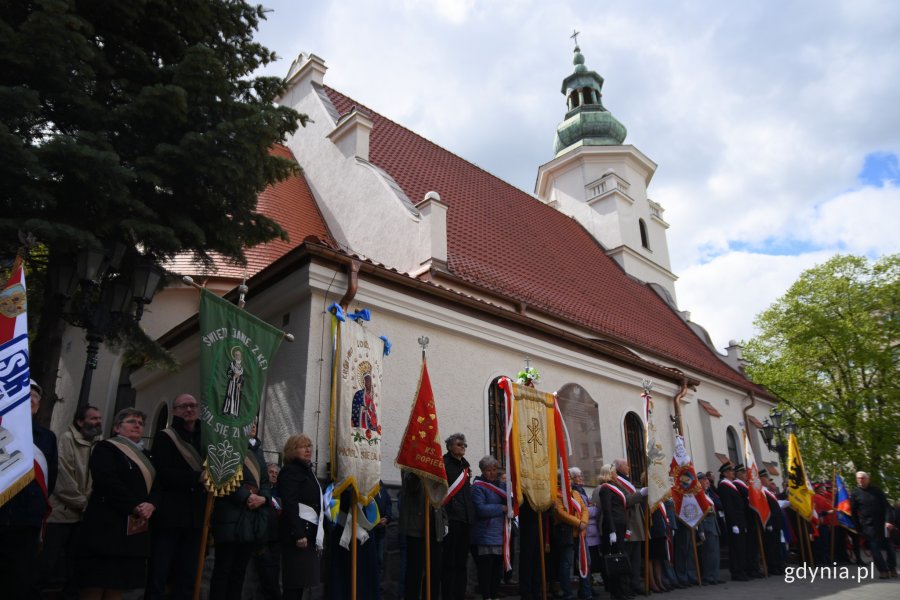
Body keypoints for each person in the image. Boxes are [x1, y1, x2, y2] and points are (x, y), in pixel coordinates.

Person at [75, 408, 158, 599]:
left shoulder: (149, 456)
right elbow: (106, 480)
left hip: (133, 528)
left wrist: (151, 504)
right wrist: (134, 505)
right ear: (117, 427)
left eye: (140, 422)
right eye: (131, 421)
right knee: (95, 583)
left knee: (119, 584)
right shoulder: (106, 448)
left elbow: (157, 486)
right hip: (106, 525)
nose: (137, 425)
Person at [0, 379, 58, 599]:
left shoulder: (46, 438)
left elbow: (49, 479)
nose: (30, 400)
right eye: (25, 395)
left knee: (20, 581)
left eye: (34, 397)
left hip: (26, 521)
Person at [146, 393, 205, 600]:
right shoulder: (166, 437)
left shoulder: (203, 438)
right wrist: (197, 478)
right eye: (184, 406)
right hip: (170, 514)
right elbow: (164, 472)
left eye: (193, 405)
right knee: (160, 569)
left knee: (188, 572)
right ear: (174, 411)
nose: (189, 410)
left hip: (196, 515)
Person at [40, 404, 101, 598]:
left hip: (82, 515)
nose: (98, 422)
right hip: (62, 513)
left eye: (99, 419)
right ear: (80, 421)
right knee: (48, 562)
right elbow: (62, 476)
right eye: (93, 418)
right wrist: (83, 502)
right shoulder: (65, 440)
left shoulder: (98, 443)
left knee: (75, 565)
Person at [210, 427, 272, 600]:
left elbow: (265, 481)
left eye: (255, 421)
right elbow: (223, 475)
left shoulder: (258, 453)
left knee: (239, 572)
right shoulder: (228, 445)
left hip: (250, 518)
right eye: (249, 420)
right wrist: (246, 497)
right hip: (230, 516)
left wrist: (264, 498)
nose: (253, 425)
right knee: (223, 570)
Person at [279, 434, 323, 600]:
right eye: (303, 447)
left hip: (308, 532)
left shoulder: (306, 470)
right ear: (292, 450)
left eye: (309, 446)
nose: (308, 450)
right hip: (297, 534)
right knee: (294, 584)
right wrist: (298, 533)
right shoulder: (291, 471)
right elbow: (290, 503)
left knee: (301, 582)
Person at [399, 468, 447, 600]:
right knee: (414, 572)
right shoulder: (409, 464)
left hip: (434, 527)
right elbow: (411, 486)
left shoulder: (435, 464)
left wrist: (444, 520)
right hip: (416, 527)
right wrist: (420, 468)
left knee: (434, 572)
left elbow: (440, 496)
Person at [442, 433, 474, 600]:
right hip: (451, 518)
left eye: (464, 445)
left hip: (466, 519)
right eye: (459, 444)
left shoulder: (466, 468)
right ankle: (448, 595)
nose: (463, 447)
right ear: (450, 447)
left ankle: (459, 594)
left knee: (462, 561)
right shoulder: (444, 464)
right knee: (449, 561)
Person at [472, 456, 507, 600]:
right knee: (485, 569)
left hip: (500, 533)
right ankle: (487, 596)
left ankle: (494, 594)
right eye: (488, 470)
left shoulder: (501, 486)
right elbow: (480, 509)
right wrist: (501, 507)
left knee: (497, 570)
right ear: (482, 471)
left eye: (494, 470)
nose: (492, 473)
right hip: (484, 534)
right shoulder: (477, 487)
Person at [610, 459, 647, 595]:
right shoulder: (618, 483)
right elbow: (627, 500)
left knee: (636, 559)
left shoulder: (627, 481)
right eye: (626, 465)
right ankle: (627, 587)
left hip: (636, 524)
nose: (629, 467)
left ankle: (635, 583)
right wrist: (641, 493)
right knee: (628, 558)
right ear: (619, 467)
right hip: (628, 525)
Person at [595, 464, 632, 600]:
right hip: (613, 527)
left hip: (620, 526)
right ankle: (616, 592)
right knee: (615, 559)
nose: (616, 474)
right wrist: (611, 531)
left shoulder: (615, 487)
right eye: (614, 472)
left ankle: (623, 590)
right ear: (609, 473)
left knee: (621, 557)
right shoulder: (605, 489)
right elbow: (607, 510)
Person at [850, 471, 896, 579]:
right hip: (868, 526)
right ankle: (883, 570)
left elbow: (887, 507)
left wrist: (889, 521)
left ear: (868, 479)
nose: (861, 480)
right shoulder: (855, 493)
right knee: (874, 549)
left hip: (883, 524)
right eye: (858, 478)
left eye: (863, 478)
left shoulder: (877, 490)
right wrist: (858, 528)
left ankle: (892, 567)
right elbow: (853, 512)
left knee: (890, 548)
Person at [254, 462, 283, 600]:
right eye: (271, 472)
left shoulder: (280, 492)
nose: (274, 475)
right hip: (262, 538)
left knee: (275, 570)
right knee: (266, 572)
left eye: (276, 473)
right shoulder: (259, 490)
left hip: (276, 538)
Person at [717, 463, 747, 581]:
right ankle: (736, 572)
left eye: (732, 471)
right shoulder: (724, 485)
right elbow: (728, 506)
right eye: (730, 471)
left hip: (740, 519)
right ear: (724, 473)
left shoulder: (731, 485)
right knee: (736, 548)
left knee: (741, 547)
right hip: (734, 521)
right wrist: (734, 523)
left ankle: (741, 570)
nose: (732, 473)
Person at [733, 464, 763, 578]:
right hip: (747, 518)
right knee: (750, 546)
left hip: (752, 518)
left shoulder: (745, 485)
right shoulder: (737, 485)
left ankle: (754, 567)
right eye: (744, 473)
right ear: (739, 474)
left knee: (753, 546)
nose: (747, 475)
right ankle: (751, 568)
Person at [570, 467, 596, 599]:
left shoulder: (581, 491)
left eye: (581, 476)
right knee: (581, 560)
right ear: (572, 479)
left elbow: (586, 509)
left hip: (585, 529)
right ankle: (585, 590)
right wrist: (582, 521)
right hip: (577, 529)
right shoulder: (573, 491)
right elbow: (582, 510)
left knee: (587, 560)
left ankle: (587, 588)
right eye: (578, 477)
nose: (581, 479)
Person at [696, 472, 722, 585]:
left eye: (707, 479)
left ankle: (715, 576)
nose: (707, 481)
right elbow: (698, 514)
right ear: (699, 482)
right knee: (707, 554)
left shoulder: (707, 494)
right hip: (706, 527)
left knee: (715, 553)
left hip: (713, 526)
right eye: (704, 480)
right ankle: (707, 576)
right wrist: (700, 530)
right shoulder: (698, 495)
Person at [756, 471, 784, 575]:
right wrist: (768, 523)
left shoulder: (767, 491)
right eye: (767, 478)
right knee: (770, 547)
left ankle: (778, 565)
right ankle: (772, 567)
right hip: (770, 523)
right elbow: (765, 509)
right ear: (762, 479)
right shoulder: (761, 492)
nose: (769, 481)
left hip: (776, 523)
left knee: (776, 545)